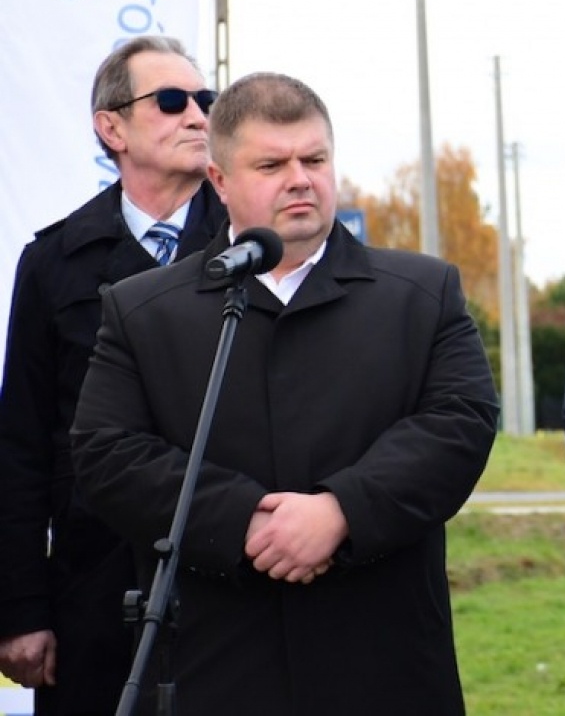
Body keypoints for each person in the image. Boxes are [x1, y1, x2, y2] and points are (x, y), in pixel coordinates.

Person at [70, 72, 499, 715]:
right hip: (217, 663)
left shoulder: (421, 293)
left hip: (385, 663)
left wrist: (340, 512)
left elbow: (459, 424)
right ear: (219, 181)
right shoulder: (144, 311)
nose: (300, 178)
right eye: (272, 163)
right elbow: (108, 453)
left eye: (314, 159)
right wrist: (244, 521)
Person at [0, 36, 227, 714]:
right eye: (170, 100)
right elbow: (20, 446)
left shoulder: (253, 243)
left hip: (229, 578)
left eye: (204, 100)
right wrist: (18, 605)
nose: (197, 115)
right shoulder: (54, 261)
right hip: (92, 590)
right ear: (112, 126)